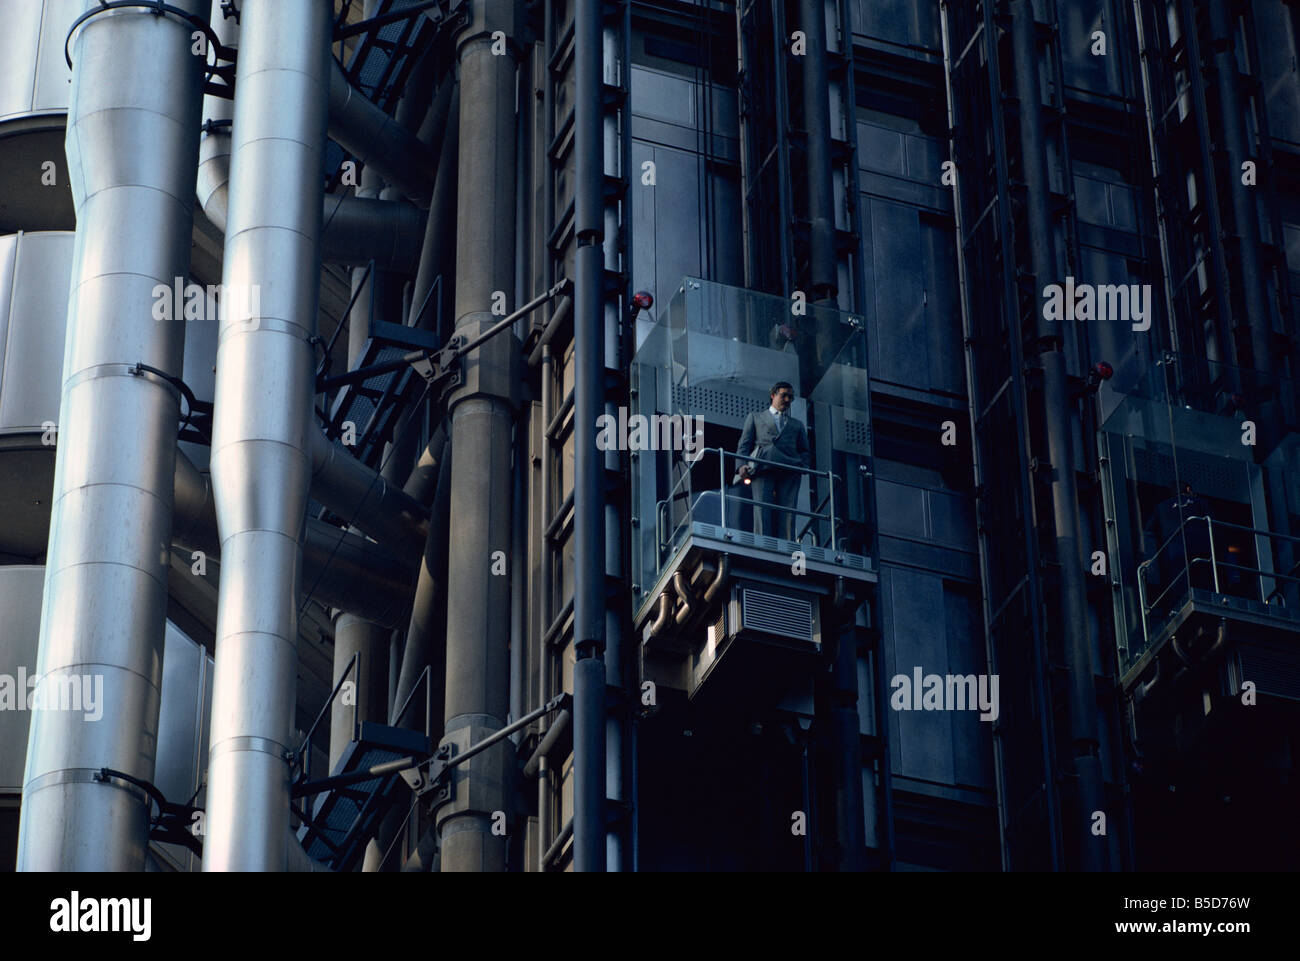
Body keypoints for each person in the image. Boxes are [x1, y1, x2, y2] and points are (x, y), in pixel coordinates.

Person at [735, 382, 810, 540]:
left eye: (790, 397)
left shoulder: (797, 424)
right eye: (784, 395)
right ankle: (762, 543)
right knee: (762, 508)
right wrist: (741, 466)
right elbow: (744, 444)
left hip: (789, 468)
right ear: (773, 395)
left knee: (788, 510)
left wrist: (803, 464)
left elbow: (805, 450)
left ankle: (788, 544)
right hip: (763, 466)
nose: (787, 399)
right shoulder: (756, 417)